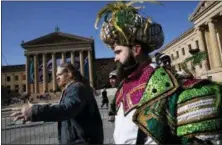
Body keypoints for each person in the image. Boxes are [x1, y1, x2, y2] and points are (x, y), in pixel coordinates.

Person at [95, 1, 222, 144]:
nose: (115, 58)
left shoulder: (179, 89)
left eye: (118, 52)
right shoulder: (122, 90)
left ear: (136, 50)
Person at [11, 63, 104, 144]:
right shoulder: (74, 88)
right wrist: (36, 107)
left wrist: (35, 111)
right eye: (56, 76)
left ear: (69, 74)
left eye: (59, 75)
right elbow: (65, 107)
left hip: (81, 141)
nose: (56, 78)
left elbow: (66, 109)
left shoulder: (76, 88)